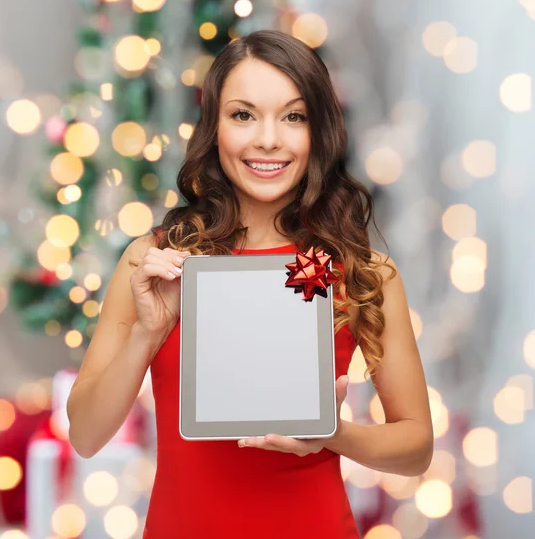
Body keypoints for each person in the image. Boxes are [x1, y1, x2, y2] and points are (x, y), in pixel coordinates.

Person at [67, 29, 433, 538]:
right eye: (243, 115)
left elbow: (416, 447)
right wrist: (147, 333)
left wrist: (334, 434)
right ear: (214, 128)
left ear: (319, 132)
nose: (268, 139)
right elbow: (84, 434)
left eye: (294, 116)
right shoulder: (156, 261)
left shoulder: (361, 273)